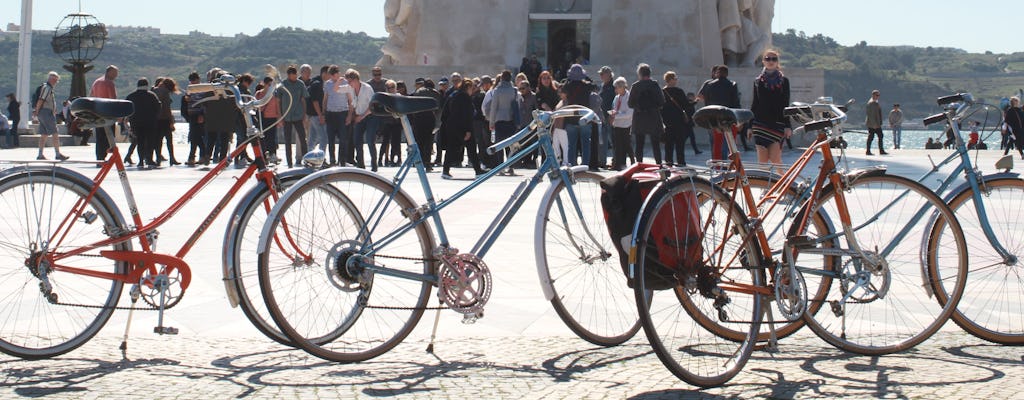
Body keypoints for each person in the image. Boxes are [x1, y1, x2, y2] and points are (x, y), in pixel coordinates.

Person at [749, 49, 792, 165]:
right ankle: (763, 183)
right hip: (760, 123)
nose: (770, 61)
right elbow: (755, 103)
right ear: (763, 61)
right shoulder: (758, 81)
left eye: (774, 59)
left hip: (777, 123)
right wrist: (749, 125)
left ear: (777, 62)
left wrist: (788, 126)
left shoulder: (784, 81)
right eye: (767, 59)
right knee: (762, 161)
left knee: (776, 160)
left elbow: (785, 104)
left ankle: (781, 182)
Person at [441, 79, 484, 179]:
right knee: (471, 149)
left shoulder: (452, 95)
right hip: (463, 127)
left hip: (451, 126)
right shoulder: (465, 98)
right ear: (468, 87)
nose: (472, 91)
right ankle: (478, 170)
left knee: (451, 149)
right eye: (471, 88)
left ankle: (445, 171)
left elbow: (445, 113)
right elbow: (467, 115)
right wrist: (468, 130)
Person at [697, 64, 741, 160]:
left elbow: (705, 101)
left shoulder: (709, 85)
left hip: (713, 118)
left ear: (717, 73)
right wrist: (738, 119)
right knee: (726, 142)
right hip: (727, 118)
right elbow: (736, 102)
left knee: (716, 143)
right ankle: (724, 163)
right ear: (727, 74)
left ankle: (716, 164)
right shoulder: (732, 84)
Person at [628, 63, 665, 165]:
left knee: (639, 145)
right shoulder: (655, 85)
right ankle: (659, 166)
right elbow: (662, 102)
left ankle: (638, 166)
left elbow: (630, 104)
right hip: (653, 118)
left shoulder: (635, 86)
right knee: (656, 145)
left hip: (639, 118)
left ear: (639, 74)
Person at [487, 70, 520, 175]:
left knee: (500, 145)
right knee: (511, 145)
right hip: (511, 119)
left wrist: (491, 122)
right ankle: (510, 166)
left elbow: (494, 107)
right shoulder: (514, 90)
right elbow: (517, 106)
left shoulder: (497, 90)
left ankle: (500, 168)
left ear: (501, 78)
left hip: (499, 120)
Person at [276, 65, 310, 168]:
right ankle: (289, 162)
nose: (295, 77)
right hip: (286, 116)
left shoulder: (300, 84)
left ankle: (306, 160)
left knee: (302, 138)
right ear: (288, 75)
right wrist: (279, 117)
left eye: (296, 75)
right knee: (287, 140)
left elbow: (304, 100)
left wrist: (304, 115)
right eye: (293, 75)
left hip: (298, 115)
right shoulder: (283, 85)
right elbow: (278, 101)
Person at [125, 78, 162, 168]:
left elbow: (126, 108)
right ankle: (149, 159)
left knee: (140, 141)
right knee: (150, 141)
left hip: (136, 123)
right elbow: (158, 106)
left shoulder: (131, 96)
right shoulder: (152, 95)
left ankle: (141, 160)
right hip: (150, 122)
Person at [32, 71, 69, 161]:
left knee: (44, 134)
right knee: (55, 133)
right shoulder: (47, 88)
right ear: (52, 79)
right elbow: (41, 99)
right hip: (46, 112)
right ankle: (57, 154)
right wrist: (36, 111)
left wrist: (37, 111)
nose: (56, 82)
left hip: (43, 112)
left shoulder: (46, 87)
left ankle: (40, 154)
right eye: (55, 80)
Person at [347, 69, 376, 171]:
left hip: (370, 116)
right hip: (359, 116)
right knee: (357, 140)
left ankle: (374, 165)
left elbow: (372, 106)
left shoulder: (367, 88)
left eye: (350, 81)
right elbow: (352, 104)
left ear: (356, 80)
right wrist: (353, 116)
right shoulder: (351, 89)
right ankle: (361, 164)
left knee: (370, 140)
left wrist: (362, 116)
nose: (349, 83)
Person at [323, 65, 351, 166]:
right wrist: (323, 112)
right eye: (333, 75)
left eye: (336, 74)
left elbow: (350, 99)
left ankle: (342, 160)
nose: (335, 77)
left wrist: (349, 115)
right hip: (331, 113)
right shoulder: (327, 84)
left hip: (342, 112)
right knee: (331, 139)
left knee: (343, 138)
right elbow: (325, 99)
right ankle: (332, 159)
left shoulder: (345, 83)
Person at [89, 65, 118, 161]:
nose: (116, 75)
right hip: (107, 113)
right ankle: (107, 153)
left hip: (97, 113)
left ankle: (100, 157)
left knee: (100, 137)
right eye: (115, 73)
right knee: (109, 136)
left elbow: (91, 96)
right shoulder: (109, 83)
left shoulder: (96, 82)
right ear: (109, 72)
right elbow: (113, 99)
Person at [410, 79, 440, 171]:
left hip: (419, 119)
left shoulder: (418, 92)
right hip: (430, 119)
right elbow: (439, 109)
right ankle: (427, 163)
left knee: (419, 142)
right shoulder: (436, 93)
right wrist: (438, 123)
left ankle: (418, 162)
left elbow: (413, 106)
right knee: (428, 143)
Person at [661, 71, 690, 165]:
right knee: (680, 144)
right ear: (670, 80)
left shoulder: (662, 92)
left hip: (667, 122)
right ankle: (681, 162)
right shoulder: (679, 91)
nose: (677, 80)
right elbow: (686, 105)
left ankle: (669, 162)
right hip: (679, 122)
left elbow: (659, 107)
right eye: (675, 78)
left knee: (668, 145)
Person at [608, 76, 635, 170]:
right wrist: (612, 114)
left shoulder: (629, 97)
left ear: (622, 87)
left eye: (616, 87)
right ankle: (619, 164)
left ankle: (633, 162)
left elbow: (629, 113)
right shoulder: (617, 97)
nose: (615, 90)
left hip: (626, 125)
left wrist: (616, 115)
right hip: (617, 125)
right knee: (618, 146)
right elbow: (615, 109)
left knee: (627, 145)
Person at [153, 77, 181, 166]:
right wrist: (171, 122)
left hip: (155, 119)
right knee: (169, 141)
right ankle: (172, 158)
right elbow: (167, 109)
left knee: (158, 141)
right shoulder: (165, 92)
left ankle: (158, 159)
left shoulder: (153, 90)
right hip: (165, 119)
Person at [181, 71, 206, 166]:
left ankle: (194, 157)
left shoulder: (202, 90)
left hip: (198, 115)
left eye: (194, 80)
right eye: (191, 81)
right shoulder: (189, 89)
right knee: (195, 136)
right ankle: (200, 156)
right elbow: (186, 101)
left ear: (198, 80)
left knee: (195, 136)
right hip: (192, 115)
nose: (192, 83)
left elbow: (204, 103)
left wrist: (203, 115)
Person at [256, 76, 281, 164]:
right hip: (262, 118)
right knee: (263, 137)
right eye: (269, 85)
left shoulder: (274, 94)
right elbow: (255, 106)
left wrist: (279, 118)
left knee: (272, 137)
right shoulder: (259, 94)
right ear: (265, 84)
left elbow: (277, 106)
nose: (270, 87)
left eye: (272, 85)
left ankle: (273, 154)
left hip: (272, 117)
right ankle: (263, 155)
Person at [306, 65, 329, 153]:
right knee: (323, 138)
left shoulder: (316, 82)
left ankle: (309, 157)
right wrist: (320, 115)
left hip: (313, 115)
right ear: (324, 74)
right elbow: (315, 101)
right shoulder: (317, 85)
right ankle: (321, 159)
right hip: (316, 115)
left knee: (313, 138)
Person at [865, 89, 888, 155]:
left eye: (879, 95)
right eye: (877, 95)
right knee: (872, 137)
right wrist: (874, 124)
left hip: (876, 123)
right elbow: (871, 115)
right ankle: (869, 151)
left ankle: (880, 150)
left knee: (879, 136)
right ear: (873, 95)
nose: (878, 96)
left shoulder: (875, 102)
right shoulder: (871, 103)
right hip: (873, 124)